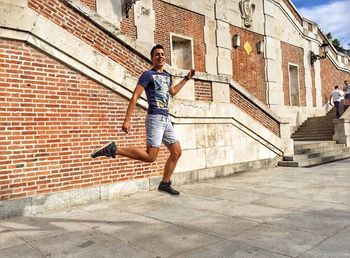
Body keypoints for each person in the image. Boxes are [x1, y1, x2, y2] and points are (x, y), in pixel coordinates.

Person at [90, 44, 195, 196]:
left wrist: (186, 78)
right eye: (157, 54)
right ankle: (113, 149)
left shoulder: (167, 75)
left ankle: (165, 183)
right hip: (154, 119)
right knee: (151, 157)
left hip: (166, 119)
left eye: (162, 54)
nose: (160, 56)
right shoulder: (147, 75)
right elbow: (135, 96)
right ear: (152, 58)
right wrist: (127, 119)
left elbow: (172, 92)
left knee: (177, 152)